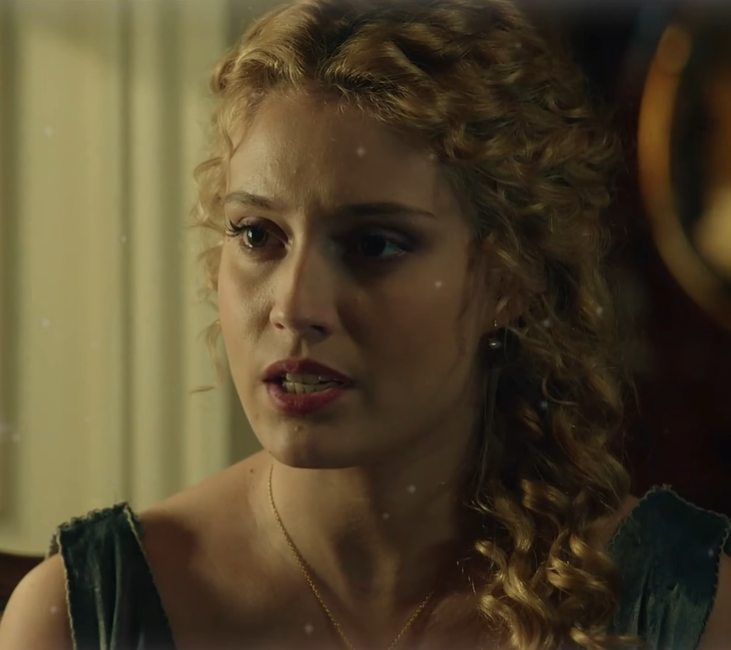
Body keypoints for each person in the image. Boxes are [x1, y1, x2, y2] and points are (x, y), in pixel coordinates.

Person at [1, 0, 730, 648]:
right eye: (257, 235)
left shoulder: (674, 608)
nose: (296, 307)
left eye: (374, 245)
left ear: (507, 276)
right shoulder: (83, 617)